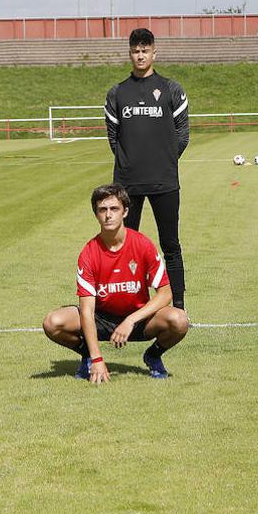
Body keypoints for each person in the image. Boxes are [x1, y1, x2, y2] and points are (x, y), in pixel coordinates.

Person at [42, 184, 189, 384]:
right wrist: (97, 358)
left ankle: (153, 356)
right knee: (53, 322)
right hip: (101, 319)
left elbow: (165, 294)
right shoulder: (89, 253)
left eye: (114, 209)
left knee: (179, 320)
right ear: (96, 214)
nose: (108, 215)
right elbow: (86, 311)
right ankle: (86, 356)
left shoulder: (143, 245)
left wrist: (130, 320)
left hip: (139, 321)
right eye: (102, 210)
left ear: (125, 211)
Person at [104, 28, 190, 310]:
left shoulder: (171, 89)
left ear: (154, 52)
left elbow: (182, 135)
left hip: (165, 181)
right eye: (135, 51)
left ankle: (178, 306)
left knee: (171, 245)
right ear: (130, 54)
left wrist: (163, 161)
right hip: (128, 185)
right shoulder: (117, 93)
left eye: (145, 50)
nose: (140, 55)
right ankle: (130, 306)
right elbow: (113, 138)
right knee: (125, 247)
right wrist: (131, 163)